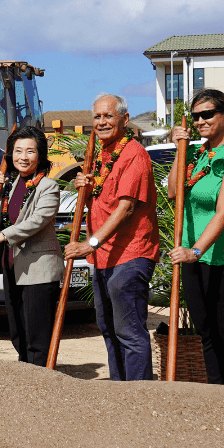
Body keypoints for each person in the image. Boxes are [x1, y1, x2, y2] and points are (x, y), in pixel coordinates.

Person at [64, 94, 160, 380]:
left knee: (129, 331)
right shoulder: (100, 153)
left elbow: (126, 207)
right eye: (97, 117)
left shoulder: (134, 154)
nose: (102, 122)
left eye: (108, 116)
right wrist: (84, 183)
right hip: (104, 257)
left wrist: (90, 243)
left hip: (131, 254)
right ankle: (119, 393)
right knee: (107, 326)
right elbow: (100, 195)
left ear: (124, 120)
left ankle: (139, 396)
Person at [167, 89, 224, 384]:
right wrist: (179, 149)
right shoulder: (197, 154)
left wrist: (194, 251)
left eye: (207, 114)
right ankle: (219, 398)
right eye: (196, 116)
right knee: (206, 332)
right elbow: (172, 192)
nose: (200, 121)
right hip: (198, 258)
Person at [0, 126, 61, 365]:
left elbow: (37, 221)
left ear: (40, 155)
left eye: (30, 151)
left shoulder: (48, 187)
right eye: (18, 151)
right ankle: (24, 373)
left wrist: (1, 237)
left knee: (37, 332)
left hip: (38, 269)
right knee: (17, 329)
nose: (23, 157)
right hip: (11, 266)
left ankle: (40, 378)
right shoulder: (9, 184)